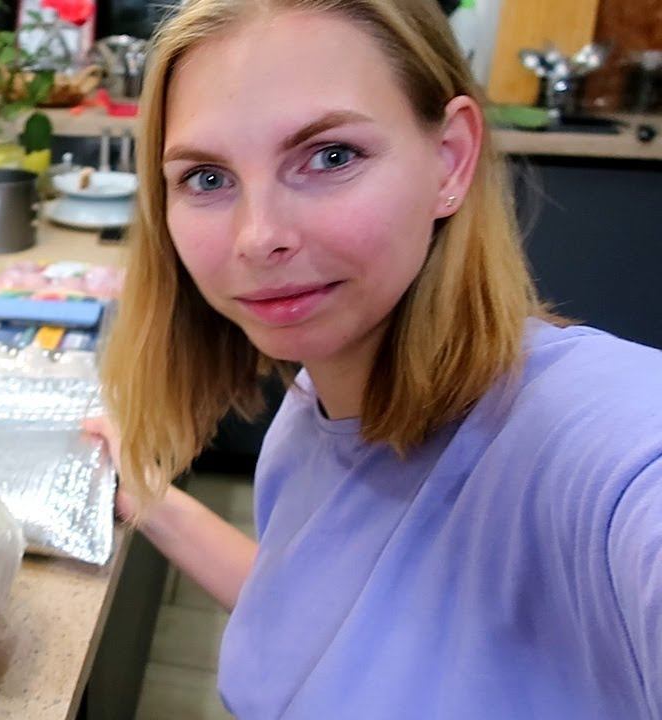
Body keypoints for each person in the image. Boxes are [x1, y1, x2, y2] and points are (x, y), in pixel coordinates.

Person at [83, 0, 662, 716]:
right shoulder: (308, 417)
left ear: (450, 160)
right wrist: (150, 500)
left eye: (331, 156)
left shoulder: (593, 449)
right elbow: (325, 626)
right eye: (206, 177)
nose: (258, 237)